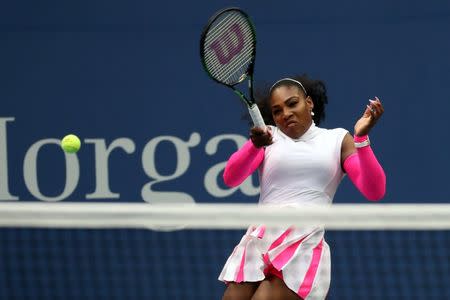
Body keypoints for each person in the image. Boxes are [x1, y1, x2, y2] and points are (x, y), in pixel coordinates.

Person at [218, 75, 386, 300]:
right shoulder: (267, 136)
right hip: (259, 239)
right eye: (277, 111)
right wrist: (254, 146)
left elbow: (374, 190)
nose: (285, 114)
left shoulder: (337, 140)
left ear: (309, 103)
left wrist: (361, 138)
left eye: (292, 103)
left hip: (302, 244)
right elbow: (230, 178)